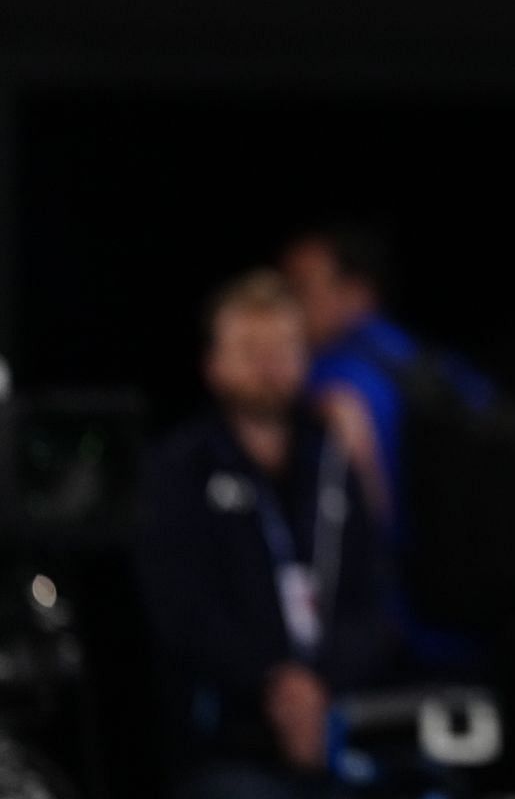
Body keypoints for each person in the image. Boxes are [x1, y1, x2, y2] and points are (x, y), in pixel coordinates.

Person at [134, 270, 394, 799]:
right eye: (251, 348)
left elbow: (375, 600)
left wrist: (321, 684)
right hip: (227, 744)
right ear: (213, 363)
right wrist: (275, 684)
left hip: (342, 727)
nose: (269, 364)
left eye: (283, 347)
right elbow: (181, 612)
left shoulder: (332, 460)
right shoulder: (178, 470)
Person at [280, 223, 492, 675]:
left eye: (300, 288)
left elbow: (362, 519)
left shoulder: (333, 381)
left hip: (400, 633)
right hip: (472, 623)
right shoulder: (436, 367)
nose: (288, 307)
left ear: (356, 291)